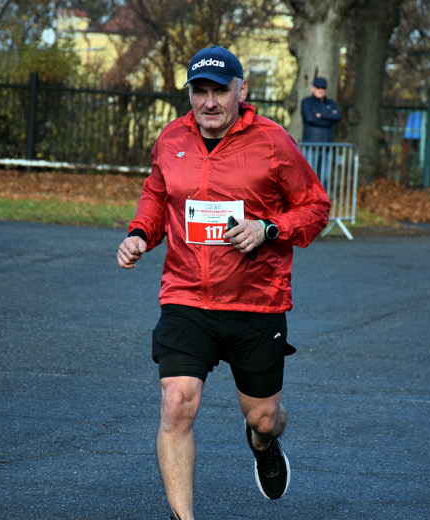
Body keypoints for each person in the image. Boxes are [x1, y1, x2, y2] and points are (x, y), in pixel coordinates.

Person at [116, 45, 330, 520]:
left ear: (242, 90)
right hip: (186, 296)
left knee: (265, 417)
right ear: (189, 93)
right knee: (176, 404)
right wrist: (138, 234)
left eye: (220, 91)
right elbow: (156, 195)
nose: (210, 102)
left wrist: (267, 228)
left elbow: (315, 208)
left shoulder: (274, 143)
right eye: (200, 91)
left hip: (255, 302)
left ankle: (263, 444)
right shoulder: (171, 138)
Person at [301, 77, 341, 186]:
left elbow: (337, 116)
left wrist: (321, 115)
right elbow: (310, 118)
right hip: (311, 146)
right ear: (312, 88)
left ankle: (322, 202)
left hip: (327, 147)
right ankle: (308, 202)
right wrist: (328, 120)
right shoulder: (306, 102)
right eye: (318, 87)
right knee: (309, 178)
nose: (321, 90)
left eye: (323, 87)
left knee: (325, 179)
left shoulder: (330, 102)